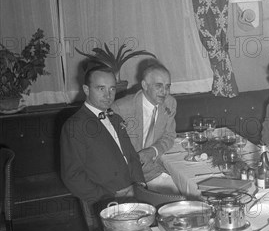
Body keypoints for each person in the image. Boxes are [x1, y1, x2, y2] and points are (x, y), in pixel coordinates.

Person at [60, 65, 145, 209]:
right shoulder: (75, 125)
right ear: (86, 90)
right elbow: (72, 176)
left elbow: (131, 155)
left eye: (112, 88)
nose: (108, 95)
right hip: (106, 202)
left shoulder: (116, 118)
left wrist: (139, 184)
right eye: (101, 89)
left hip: (133, 194)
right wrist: (109, 196)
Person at [111, 63, 179, 194]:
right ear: (144, 85)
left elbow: (169, 136)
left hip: (154, 170)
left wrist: (152, 151)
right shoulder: (121, 108)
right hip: (125, 175)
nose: (164, 92)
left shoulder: (170, 103)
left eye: (167, 87)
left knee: (179, 200)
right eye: (158, 86)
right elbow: (109, 148)